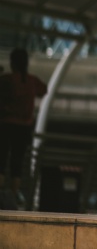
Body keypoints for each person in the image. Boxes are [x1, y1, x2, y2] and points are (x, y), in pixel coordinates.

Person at [0, 48, 47, 207]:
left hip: (6, 125)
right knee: (17, 163)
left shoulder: (7, 79)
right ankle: (11, 199)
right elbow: (44, 89)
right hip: (24, 128)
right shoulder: (32, 81)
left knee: (1, 159)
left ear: (13, 63)